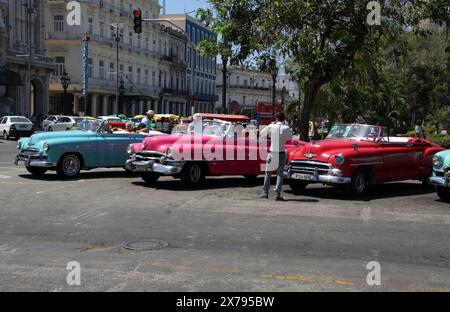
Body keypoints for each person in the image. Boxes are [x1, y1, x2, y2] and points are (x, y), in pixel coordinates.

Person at [259, 112, 293, 201]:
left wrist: (271, 125)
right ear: (283, 119)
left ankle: (265, 192)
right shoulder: (286, 128)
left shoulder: (272, 126)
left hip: (272, 152)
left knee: (268, 173)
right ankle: (278, 194)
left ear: (276, 118)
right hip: (281, 152)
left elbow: (262, 133)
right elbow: (290, 138)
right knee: (280, 174)